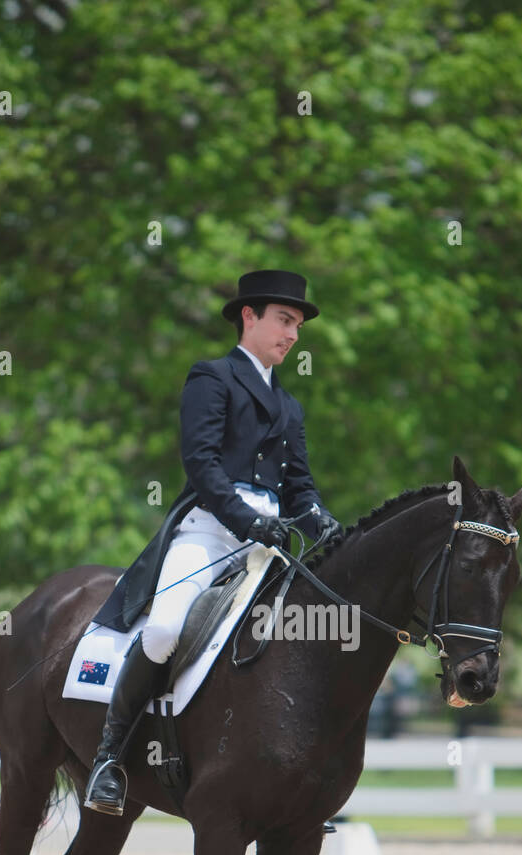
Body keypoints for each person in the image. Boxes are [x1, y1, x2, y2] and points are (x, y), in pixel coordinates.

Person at [85, 269, 342, 814]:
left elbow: (300, 488)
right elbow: (200, 464)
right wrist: (249, 521)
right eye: (284, 320)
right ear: (249, 317)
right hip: (210, 533)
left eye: (297, 325)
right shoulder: (212, 378)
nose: (293, 335)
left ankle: (299, 785)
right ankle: (110, 757)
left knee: (313, 639)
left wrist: (324, 524)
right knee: (163, 629)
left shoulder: (290, 405)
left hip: (268, 548)